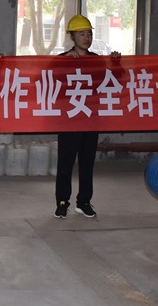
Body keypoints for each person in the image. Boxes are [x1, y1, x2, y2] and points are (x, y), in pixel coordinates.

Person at [54, 14, 120, 220]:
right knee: (65, 163)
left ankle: (83, 202)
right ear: (72, 37)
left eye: (89, 34)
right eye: (82, 34)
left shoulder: (97, 61)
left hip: (91, 120)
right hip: (69, 121)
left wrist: (116, 64)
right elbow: (45, 76)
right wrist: (65, 61)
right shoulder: (62, 59)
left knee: (87, 164)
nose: (87, 38)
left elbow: (115, 81)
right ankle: (62, 202)